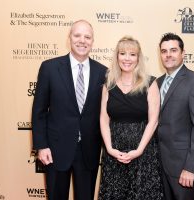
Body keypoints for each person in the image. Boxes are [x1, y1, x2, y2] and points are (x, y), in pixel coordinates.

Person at [32, 20, 107, 200]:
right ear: (69, 38)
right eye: (77, 35)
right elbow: (39, 111)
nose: (82, 41)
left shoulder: (104, 72)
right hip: (55, 150)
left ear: (93, 41)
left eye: (87, 37)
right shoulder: (49, 68)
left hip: (89, 150)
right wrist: (41, 146)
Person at [98, 36, 163, 200]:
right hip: (114, 153)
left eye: (132, 54)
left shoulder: (150, 83)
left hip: (143, 152)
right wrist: (110, 149)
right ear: (117, 57)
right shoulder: (109, 84)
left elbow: (153, 121)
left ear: (138, 58)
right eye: (123, 53)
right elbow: (104, 119)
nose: (127, 58)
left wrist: (139, 150)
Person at [157, 33, 194, 200]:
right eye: (164, 51)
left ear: (183, 53)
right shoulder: (157, 83)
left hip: (183, 167)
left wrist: (191, 167)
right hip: (159, 164)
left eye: (173, 50)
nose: (168, 55)